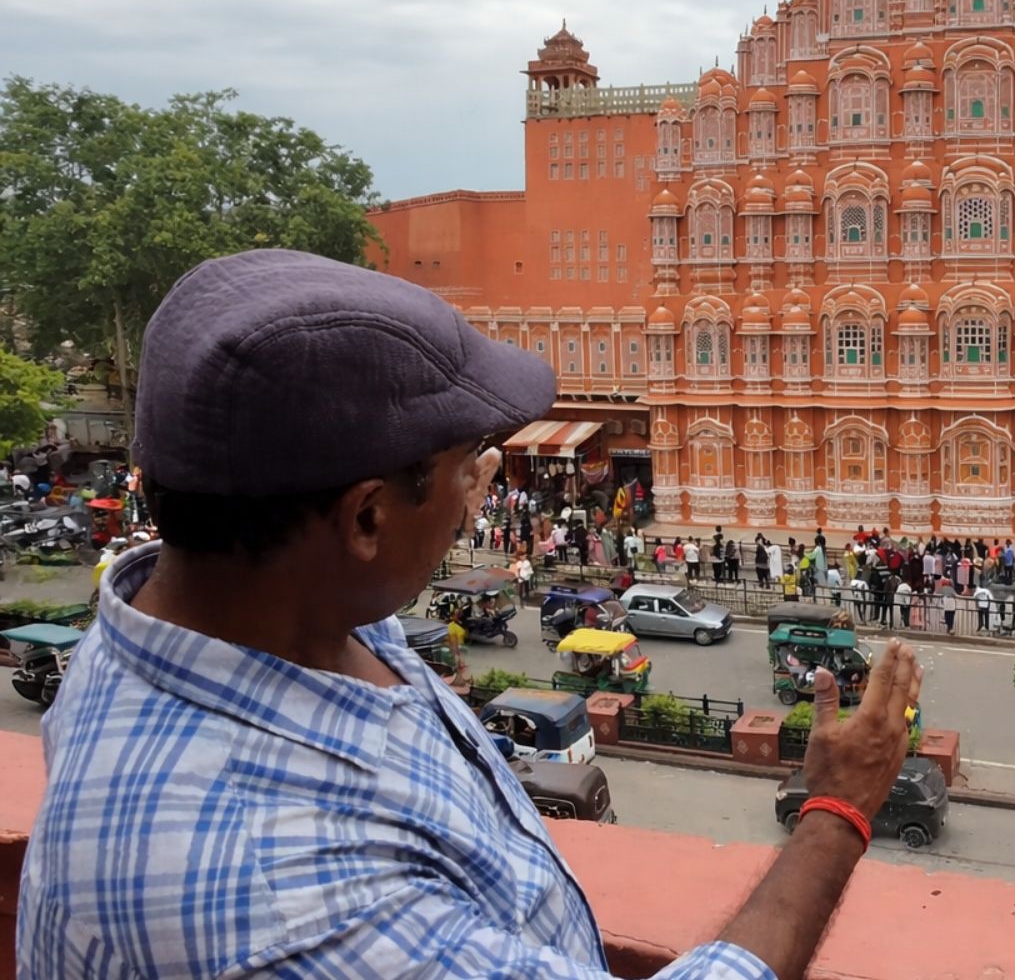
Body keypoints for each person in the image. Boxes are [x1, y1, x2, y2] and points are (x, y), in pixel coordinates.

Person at [20, 249, 928, 980]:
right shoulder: (286, 901)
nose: (483, 490)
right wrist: (835, 812)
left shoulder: (216, 617)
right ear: (367, 517)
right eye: (472, 467)